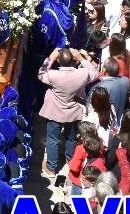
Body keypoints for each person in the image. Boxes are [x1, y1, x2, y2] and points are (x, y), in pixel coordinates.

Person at [38, 47, 99, 177]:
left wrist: (51, 57)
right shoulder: (81, 74)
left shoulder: (54, 75)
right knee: (71, 138)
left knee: (53, 139)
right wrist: (82, 59)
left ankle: (51, 167)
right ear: (73, 61)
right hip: (74, 112)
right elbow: (95, 72)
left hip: (55, 111)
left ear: (59, 61)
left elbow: (41, 73)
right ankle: (70, 159)